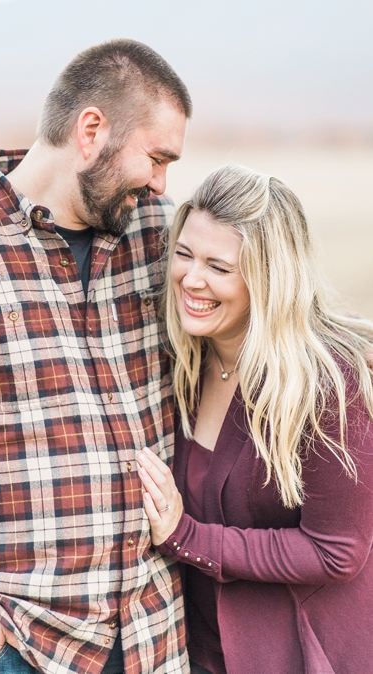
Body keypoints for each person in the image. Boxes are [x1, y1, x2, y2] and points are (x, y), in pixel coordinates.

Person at [0, 39, 192, 674]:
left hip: (153, 639)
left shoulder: (164, 236)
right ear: (92, 130)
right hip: (15, 644)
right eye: (156, 158)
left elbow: (272, 312)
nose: (163, 181)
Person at [137, 164, 373, 674]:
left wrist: (185, 536)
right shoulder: (183, 361)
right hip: (195, 650)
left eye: (218, 267)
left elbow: (337, 553)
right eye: (183, 255)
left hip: (295, 654)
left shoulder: (327, 383)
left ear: (269, 278)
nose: (191, 280)